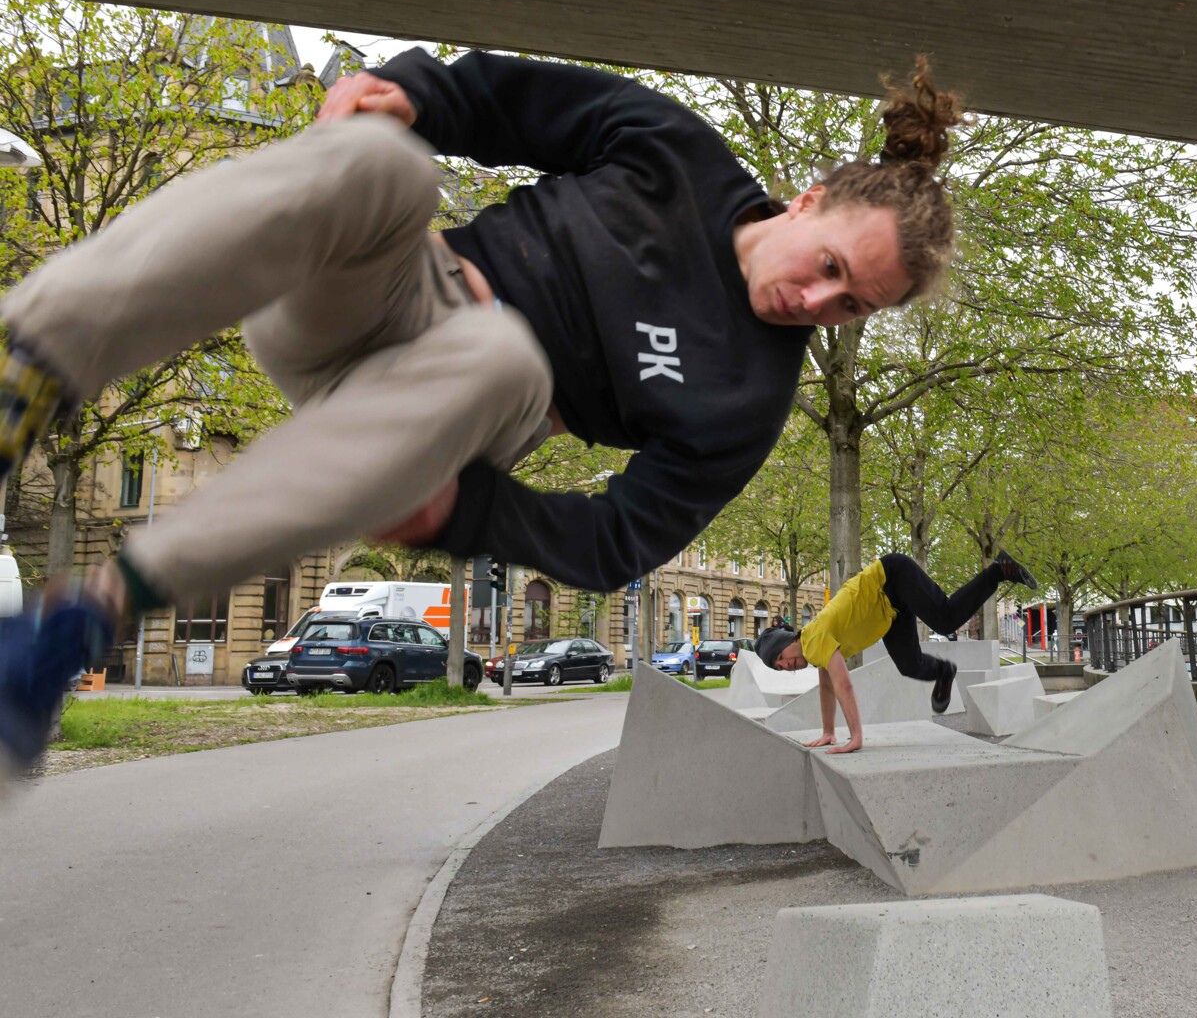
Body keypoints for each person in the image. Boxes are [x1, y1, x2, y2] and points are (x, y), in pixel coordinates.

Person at [0, 49, 965, 788]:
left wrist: (469, 518)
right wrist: (407, 91)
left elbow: (623, 537)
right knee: (391, 166)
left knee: (505, 352)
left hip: (450, 412)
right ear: (810, 200)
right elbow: (511, 99)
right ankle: (31, 365)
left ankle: (77, 625)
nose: (815, 302)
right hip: (375, 296)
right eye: (830, 266)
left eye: (850, 308)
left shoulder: (746, 400)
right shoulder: (680, 155)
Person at [753, 552, 1037, 755]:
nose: (786, 666)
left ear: (788, 641)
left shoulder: (812, 640)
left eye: (781, 658)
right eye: (780, 668)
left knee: (946, 619)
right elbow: (826, 687)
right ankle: (944, 671)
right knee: (909, 664)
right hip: (890, 610)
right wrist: (828, 732)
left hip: (892, 578)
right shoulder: (814, 648)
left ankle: (999, 570)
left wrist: (856, 737)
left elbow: (843, 684)